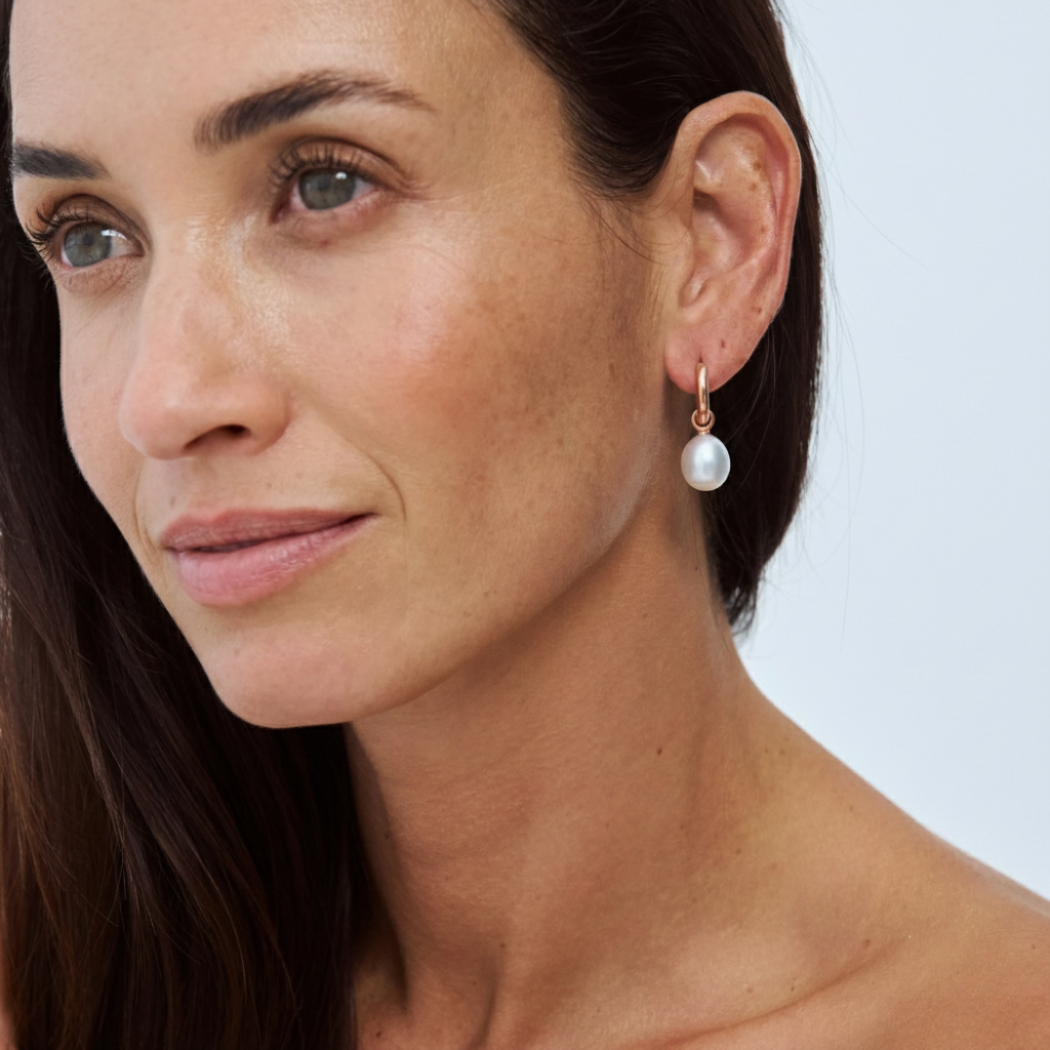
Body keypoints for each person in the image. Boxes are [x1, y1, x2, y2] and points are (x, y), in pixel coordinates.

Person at [1, 0, 1048, 1047]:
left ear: (712, 240)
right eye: (89, 236)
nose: (163, 400)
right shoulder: (59, 988)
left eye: (327, 183)